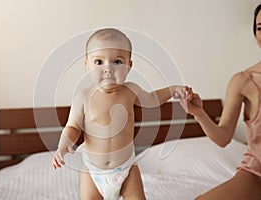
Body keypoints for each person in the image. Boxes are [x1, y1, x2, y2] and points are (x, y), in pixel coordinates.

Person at [52, 28, 192, 200]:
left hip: (126, 169)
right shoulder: (83, 97)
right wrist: (64, 144)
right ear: (87, 64)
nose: (108, 69)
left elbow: (152, 99)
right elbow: (73, 126)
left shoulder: (130, 91)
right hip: (93, 172)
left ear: (129, 66)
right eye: (99, 62)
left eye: (117, 62)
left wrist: (172, 90)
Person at [180, 4, 261, 200]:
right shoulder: (243, 81)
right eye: (260, 28)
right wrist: (199, 113)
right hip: (257, 174)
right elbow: (223, 137)